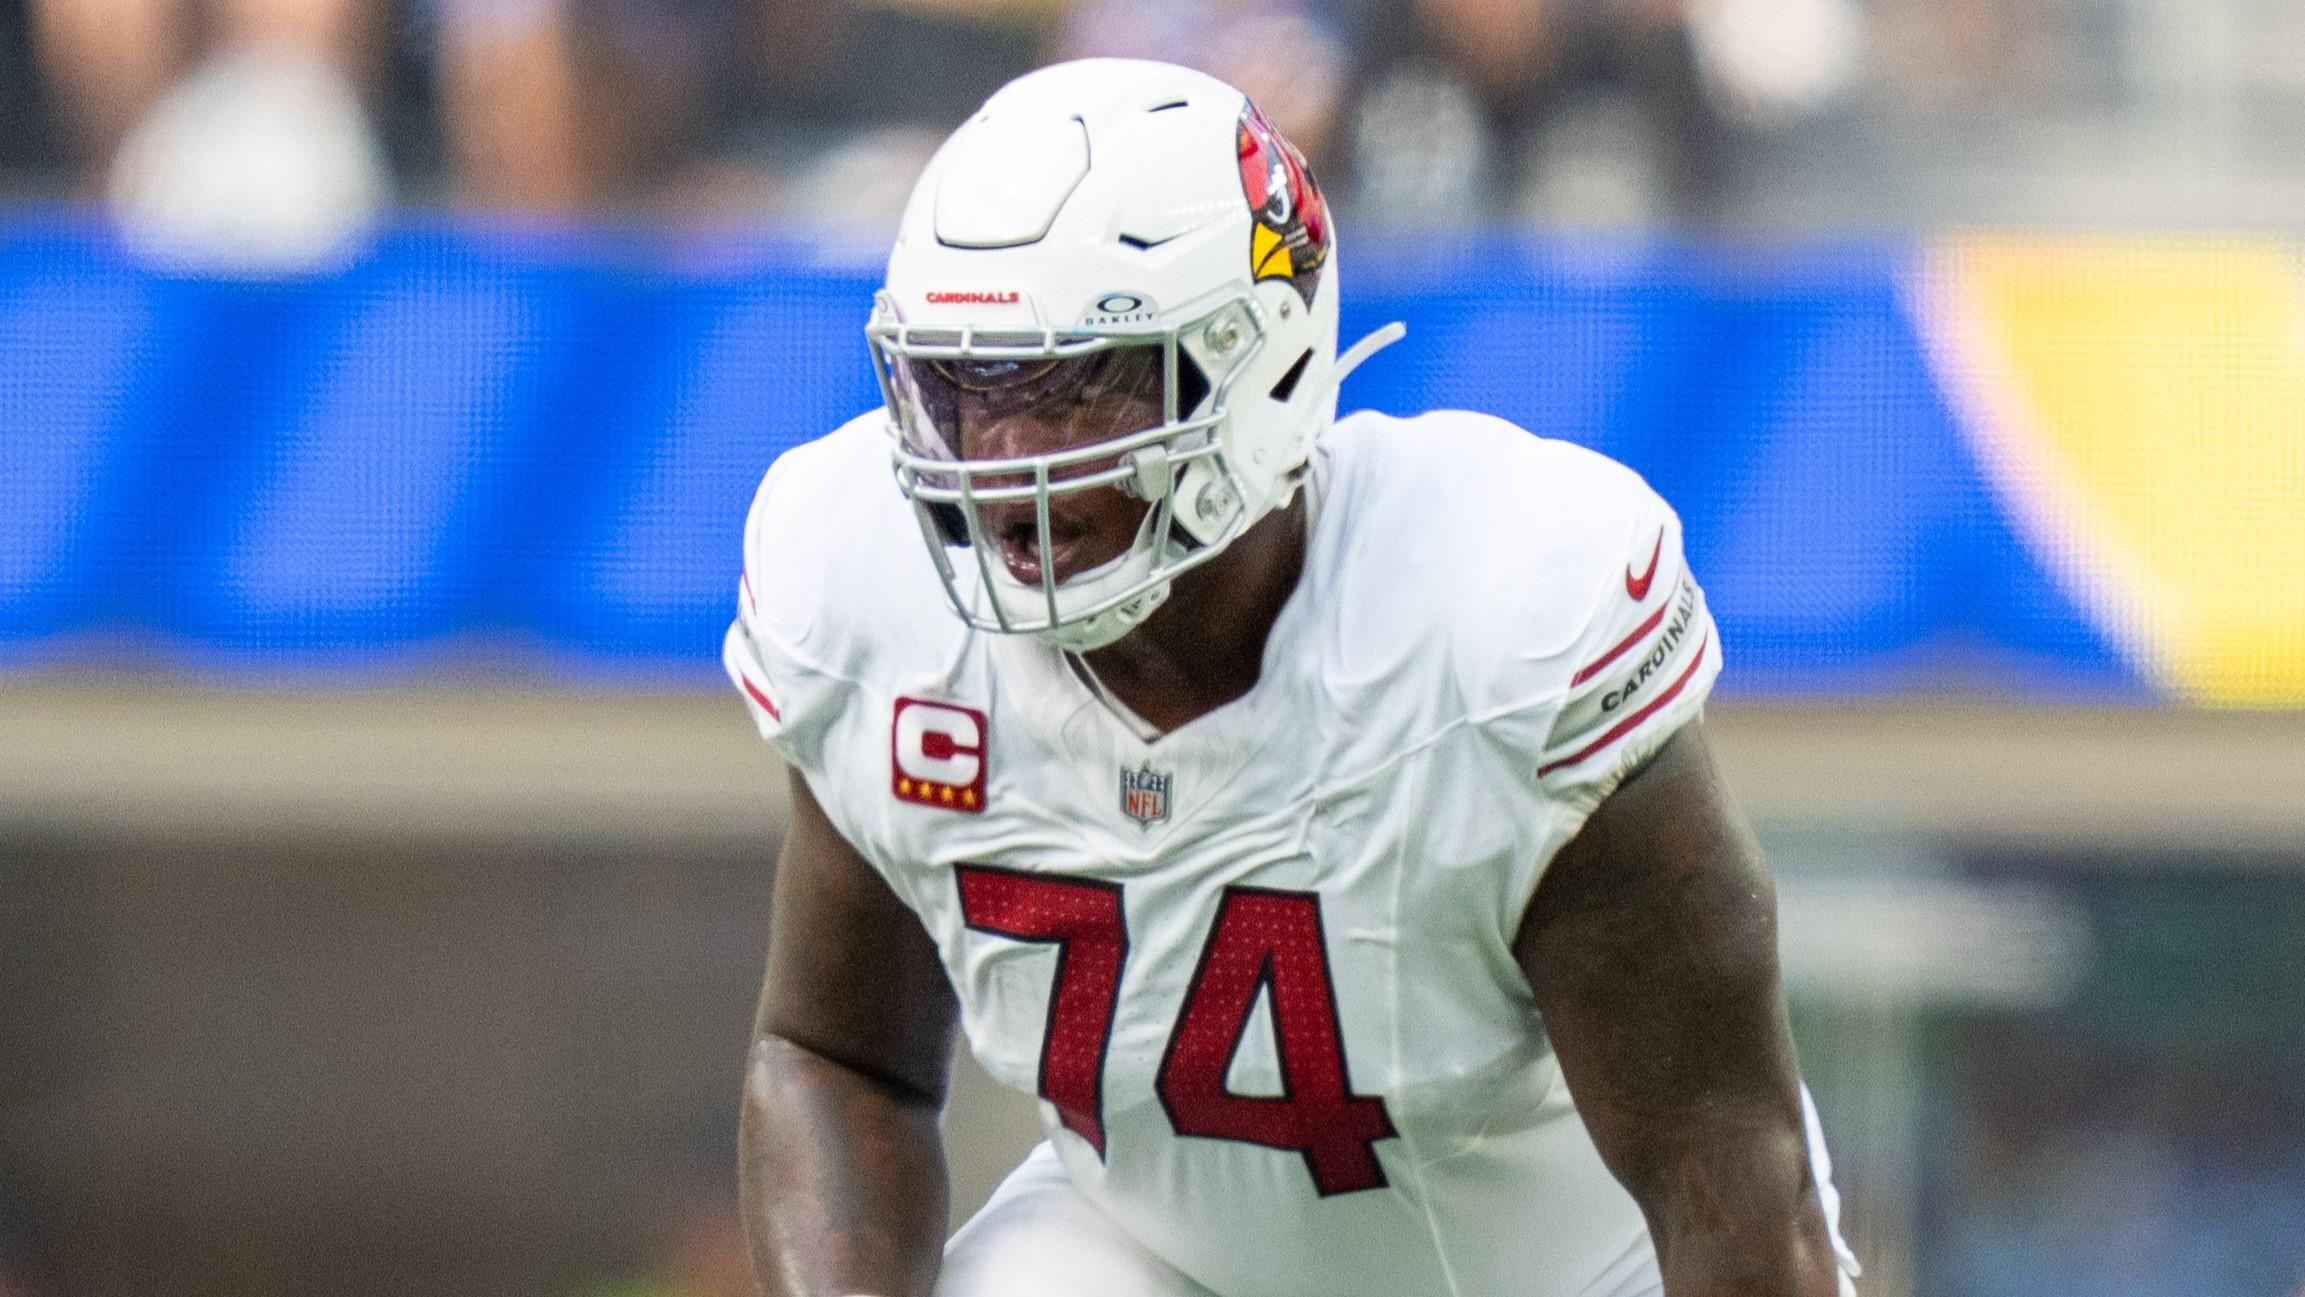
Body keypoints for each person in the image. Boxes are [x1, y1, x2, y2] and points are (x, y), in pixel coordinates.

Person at [722, 57, 1864, 1297]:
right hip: (1153, 1251)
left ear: (1248, 361)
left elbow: (1722, 1150)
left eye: (1068, 387)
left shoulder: (1496, 623)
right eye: (960, 386)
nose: (1000, 459)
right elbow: (835, 1056)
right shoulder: (864, 588)